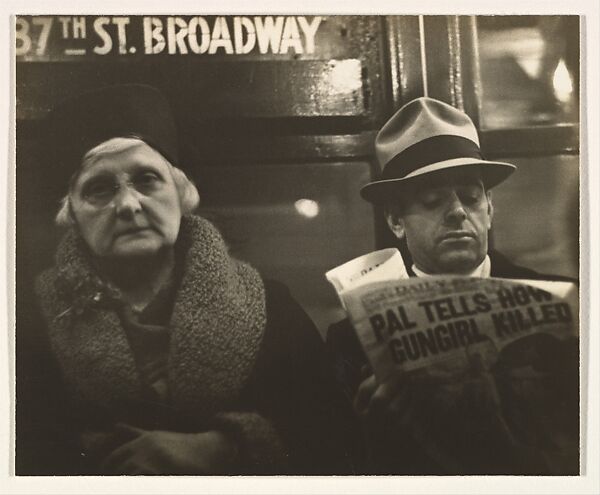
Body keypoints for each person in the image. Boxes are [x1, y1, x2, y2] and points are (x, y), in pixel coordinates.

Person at [16, 83, 359, 475]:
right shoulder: (26, 323)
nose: (128, 205)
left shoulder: (270, 305)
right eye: (98, 189)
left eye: (146, 180)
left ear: (181, 195)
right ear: (72, 214)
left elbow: (334, 442)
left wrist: (226, 448)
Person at [327, 97, 579, 475]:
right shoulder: (352, 341)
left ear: (490, 208)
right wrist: (374, 435)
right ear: (396, 220)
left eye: (471, 197)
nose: (459, 211)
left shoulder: (565, 301)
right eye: (432, 200)